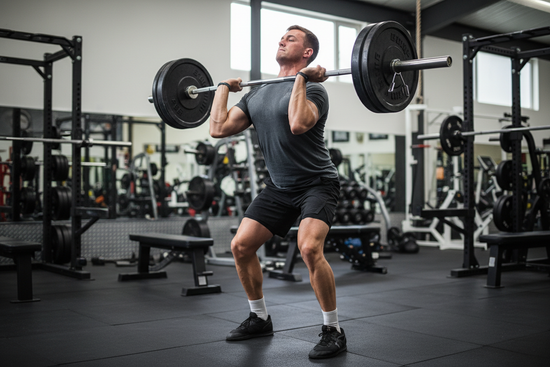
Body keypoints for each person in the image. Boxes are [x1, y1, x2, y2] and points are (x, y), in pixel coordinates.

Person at [209, 25, 346, 360]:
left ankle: (334, 330)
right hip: (280, 188)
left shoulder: (315, 91)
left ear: (307, 53)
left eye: (292, 38)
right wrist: (223, 89)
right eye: (282, 37)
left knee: (310, 247)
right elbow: (217, 129)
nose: (282, 40)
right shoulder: (258, 93)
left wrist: (301, 79)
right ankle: (259, 317)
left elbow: (298, 123)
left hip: (317, 183)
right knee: (241, 246)